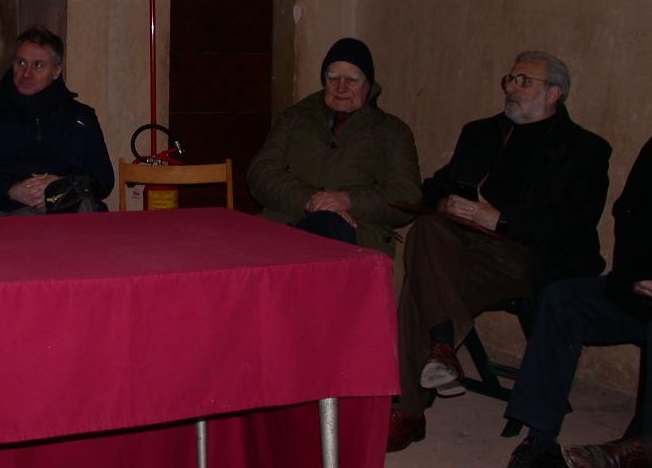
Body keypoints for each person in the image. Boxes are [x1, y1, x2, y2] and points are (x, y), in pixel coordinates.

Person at [388, 51, 611, 453]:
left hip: (526, 255)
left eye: (524, 81)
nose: (511, 88)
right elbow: (435, 184)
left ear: (553, 94)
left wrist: (501, 220)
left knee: (422, 284)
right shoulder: (481, 132)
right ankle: (440, 351)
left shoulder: (585, 149)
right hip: (462, 245)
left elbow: (573, 221)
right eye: (510, 79)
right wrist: (445, 203)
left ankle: (410, 408)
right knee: (428, 228)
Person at [503, 136, 652, 468]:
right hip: (638, 290)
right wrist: (634, 277)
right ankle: (539, 439)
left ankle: (641, 444)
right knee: (562, 300)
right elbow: (629, 214)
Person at [247, 37, 421, 257]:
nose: (341, 87)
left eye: (352, 79)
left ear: (368, 84)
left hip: (356, 232)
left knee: (329, 232)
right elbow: (261, 172)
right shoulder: (295, 118)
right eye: (333, 78)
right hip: (288, 221)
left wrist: (348, 200)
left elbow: (407, 196)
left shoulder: (392, 131)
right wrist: (310, 200)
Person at [0, 26, 114, 216]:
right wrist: (12, 189)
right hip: (7, 210)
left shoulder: (81, 117)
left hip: (70, 208)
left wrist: (62, 186)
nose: (27, 74)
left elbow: (103, 180)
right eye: (21, 63)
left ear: (56, 71)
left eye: (38, 65)